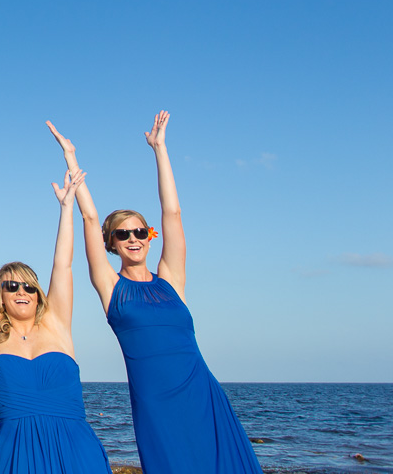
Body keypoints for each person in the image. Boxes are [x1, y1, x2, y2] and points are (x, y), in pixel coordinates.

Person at [48, 113, 263, 474]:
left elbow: (173, 213)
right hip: (155, 400)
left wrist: (159, 149)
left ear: (149, 236)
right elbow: (89, 218)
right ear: (112, 244)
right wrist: (71, 157)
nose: (133, 238)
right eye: (122, 234)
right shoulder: (110, 286)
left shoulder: (170, 279)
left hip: (199, 389)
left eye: (139, 231)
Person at [0, 169, 111, 474]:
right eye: (11, 286)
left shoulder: (56, 324)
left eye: (29, 286)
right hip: (20, 450)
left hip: (76, 449)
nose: (21, 291)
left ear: (38, 293)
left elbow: (63, 263)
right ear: (1, 296)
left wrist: (66, 208)